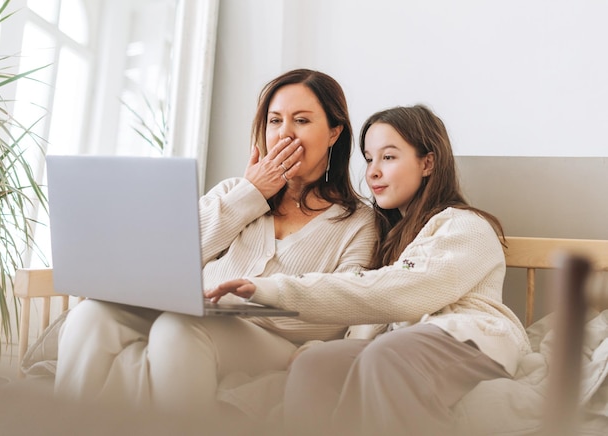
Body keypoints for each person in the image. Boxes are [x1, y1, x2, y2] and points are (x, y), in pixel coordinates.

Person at [54, 69, 377, 419]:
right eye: (274, 120)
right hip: (199, 314)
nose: (284, 133)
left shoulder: (358, 221)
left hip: (274, 339)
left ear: (333, 132)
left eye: (301, 120)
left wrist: (320, 353)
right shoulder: (233, 194)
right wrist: (251, 193)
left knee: (179, 329)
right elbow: (171, 257)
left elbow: (351, 301)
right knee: (91, 315)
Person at [206, 104, 532, 435]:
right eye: (369, 159)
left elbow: (401, 293)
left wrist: (272, 289)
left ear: (427, 162)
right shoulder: (389, 239)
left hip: (469, 339)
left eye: (388, 157)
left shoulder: (464, 226)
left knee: (385, 357)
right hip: (402, 343)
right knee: (315, 364)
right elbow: (371, 309)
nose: (373, 171)